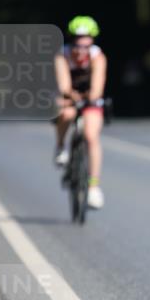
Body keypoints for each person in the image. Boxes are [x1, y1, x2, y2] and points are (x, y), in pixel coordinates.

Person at [54, 16, 107, 209]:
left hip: (90, 97)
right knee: (65, 114)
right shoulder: (63, 55)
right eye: (77, 42)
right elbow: (64, 85)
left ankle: (93, 187)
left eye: (86, 42)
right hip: (70, 94)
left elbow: (97, 88)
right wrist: (71, 97)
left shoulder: (98, 57)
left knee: (91, 136)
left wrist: (90, 97)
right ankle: (61, 147)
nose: (81, 49)